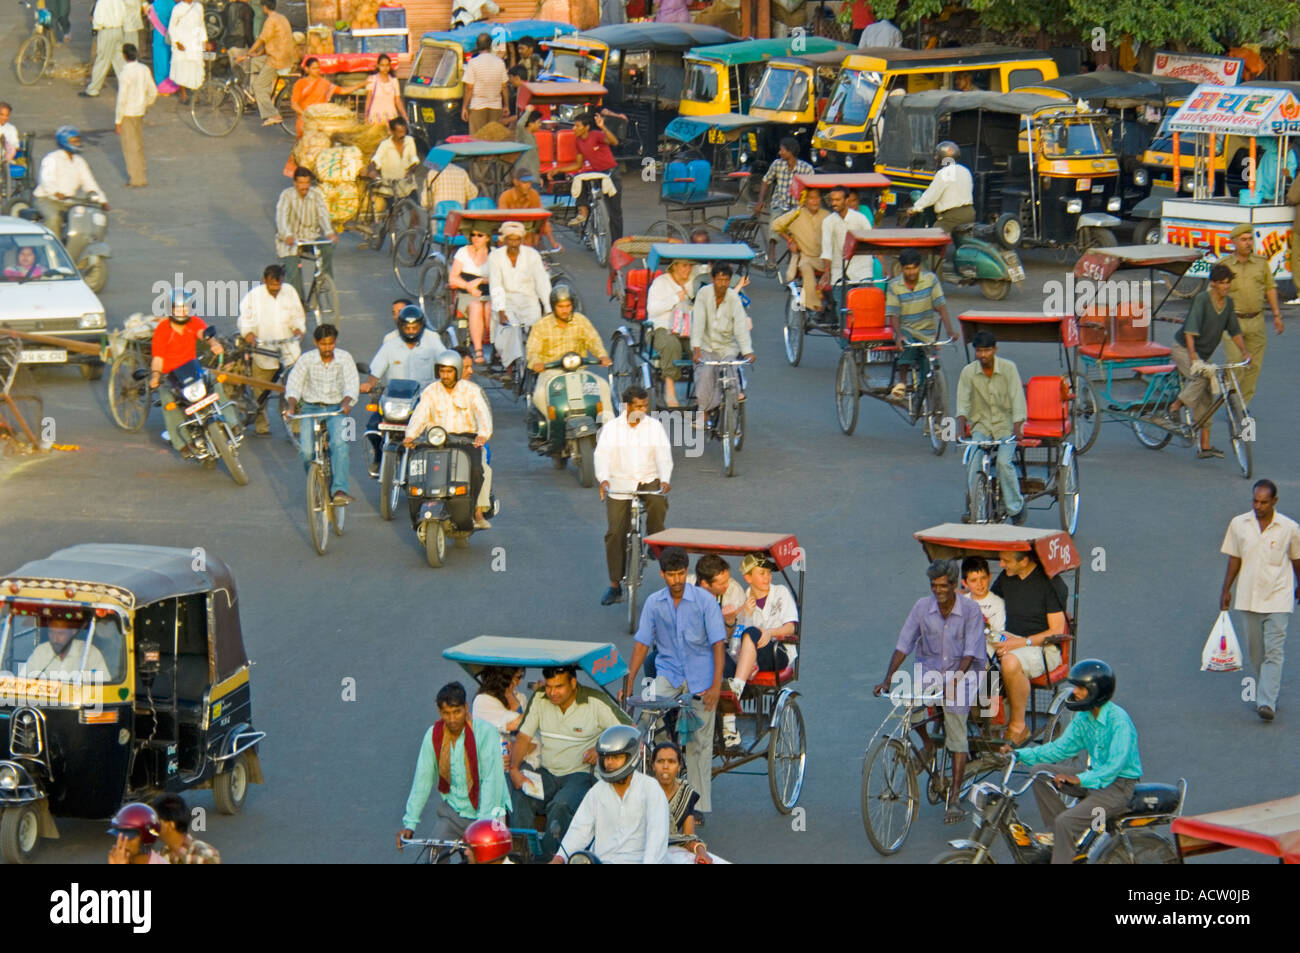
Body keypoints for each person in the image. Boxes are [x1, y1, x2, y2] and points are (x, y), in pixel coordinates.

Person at [873, 559, 985, 824]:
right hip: (930, 670)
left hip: (965, 672)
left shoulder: (971, 610)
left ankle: (955, 798)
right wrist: (888, 678)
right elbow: (904, 644)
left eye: (943, 586)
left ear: (955, 585)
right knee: (910, 710)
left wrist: (956, 680)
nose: (938, 591)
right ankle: (927, 744)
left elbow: (971, 651)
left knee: (956, 726)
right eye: (934, 586)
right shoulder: (922, 607)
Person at [1004, 659, 1142, 864]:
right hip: (1094, 777)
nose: (1074, 692)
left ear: (1096, 691)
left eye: (1080, 688)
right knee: (1039, 773)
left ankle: (1065, 836)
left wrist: (1080, 780)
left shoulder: (1118, 722)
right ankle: (1065, 836)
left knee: (1065, 823)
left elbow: (1113, 768)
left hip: (1117, 786)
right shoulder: (1084, 717)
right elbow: (1059, 749)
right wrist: (1020, 755)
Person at [623, 547, 726, 816]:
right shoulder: (654, 604)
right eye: (671, 575)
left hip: (701, 678)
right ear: (662, 575)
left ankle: (697, 806)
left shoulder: (704, 601)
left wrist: (715, 686)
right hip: (668, 674)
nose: (677, 580)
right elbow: (642, 643)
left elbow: (718, 644)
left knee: (698, 744)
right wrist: (630, 680)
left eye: (681, 574)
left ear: (687, 573)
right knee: (643, 716)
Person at [511, 666, 632, 859]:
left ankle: (549, 858)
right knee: (520, 794)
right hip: (548, 772)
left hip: (580, 774)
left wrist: (600, 750)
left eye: (558, 687)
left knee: (561, 805)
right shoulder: (540, 698)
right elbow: (524, 736)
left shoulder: (595, 701)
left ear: (573, 684)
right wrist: (514, 769)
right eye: (549, 686)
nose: (552, 692)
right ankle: (521, 855)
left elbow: (628, 731)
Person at [1220, 479, 1300, 721]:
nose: (1258, 506)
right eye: (1255, 500)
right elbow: (1234, 559)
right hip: (1249, 598)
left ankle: (1266, 701)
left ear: (1274, 502)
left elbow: (1297, 559)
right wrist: (1226, 590)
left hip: (1279, 597)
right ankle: (1268, 687)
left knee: (1274, 652)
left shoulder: (1289, 528)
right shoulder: (1239, 524)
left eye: (1264, 502)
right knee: (1257, 653)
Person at [397, 681, 511, 848]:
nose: (452, 719)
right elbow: (423, 779)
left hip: (489, 814)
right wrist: (410, 823)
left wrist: (481, 828)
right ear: (439, 712)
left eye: (457, 712)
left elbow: (490, 782)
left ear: (466, 708)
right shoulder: (433, 736)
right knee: (433, 855)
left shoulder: (486, 733)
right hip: (454, 812)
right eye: (446, 713)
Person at [1162, 263, 1250, 459]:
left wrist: (1244, 352)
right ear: (1213, 284)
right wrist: (1193, 358)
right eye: (1222, 283)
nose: (1226, 287)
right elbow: (1190, 331)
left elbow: (1234, 330)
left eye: (1228, 283)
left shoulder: (1228, 304)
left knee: (1209, 392)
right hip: (1184, 349)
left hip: (1202, 354)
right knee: (1201, 378)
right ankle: (1176, 406)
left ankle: (1205, 446)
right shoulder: (1202, 300)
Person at [594, 385, 672, 605]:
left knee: (658, 503)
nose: (642, 410)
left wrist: (665, 479)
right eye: (638, 406)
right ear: (627, 406)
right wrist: (604, 479)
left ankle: (654, 543)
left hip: (648, 479)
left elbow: (663, 455)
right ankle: (614, 585)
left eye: (645, 406)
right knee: (615, 532)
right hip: (619, 483)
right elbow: (602, 455)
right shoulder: (612, 429)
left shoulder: (654, 427)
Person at [403, 350, 495, 528]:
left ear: (458, 371)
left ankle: (476, 512)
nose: (445, 376)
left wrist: (483, 434)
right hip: (436, 440)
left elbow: (483, 415)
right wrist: (411, 435)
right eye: (442, 371)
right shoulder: (430, 391)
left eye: (449, 371)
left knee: (478, 469)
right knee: (416, 470)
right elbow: (420, 415)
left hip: (466, 441)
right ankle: (418, 512)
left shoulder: (472, 391)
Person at [550, 725, 668, 864]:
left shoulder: (650, 789)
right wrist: (559, 858)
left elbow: (657, 838)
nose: (609, 763)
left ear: (632, 755)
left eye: (616, 757)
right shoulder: (598, 791)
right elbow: (580, 830)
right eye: (606, 757)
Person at [149, 288, 240, 457]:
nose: (183, 311)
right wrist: (155, 375)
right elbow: (158, 358)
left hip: (192, 368)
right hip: (171, 375)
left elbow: (203, 334)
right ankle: (182, 443)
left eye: (186, 307)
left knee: (214, 382)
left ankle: (232, 423)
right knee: (169, 402)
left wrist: (214, 344)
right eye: (178, 308)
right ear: (171, 309)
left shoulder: (194, 322)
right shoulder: (162, 329)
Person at [992, 548, 1068, 745]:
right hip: (1008, 638)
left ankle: (1018, 726)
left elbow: (1056, 630)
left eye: (1006, 560)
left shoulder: (1050, 584)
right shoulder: (1007, 576)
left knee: (1009, 662)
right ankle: (988, 723)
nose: (1001, 565)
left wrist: (1019, 643)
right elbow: (990, 604)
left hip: (1042, 647)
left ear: (1024, 561)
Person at [361, 305, 443, 475]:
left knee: (440, 432)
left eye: (415, 327)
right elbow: (376, 371)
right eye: (407, 327)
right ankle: (379, 457)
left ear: (421, 326)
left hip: (424, 401)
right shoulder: (390, 344)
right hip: (395, 402)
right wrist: (369, 384)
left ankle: (438, 469)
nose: (411, 331)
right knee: (373, 427)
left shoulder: (433, 340)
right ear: (400, 327)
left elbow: (445, 362)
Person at [956, 329, 1027, 525]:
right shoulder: (968, 372)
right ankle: (973, 507)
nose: (983, 355)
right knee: (973, 462)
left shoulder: (1008, 369)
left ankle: (1016, 507)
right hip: (982, 426)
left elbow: (1017, 399)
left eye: (987, 350)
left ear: (994, 350)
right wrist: (961, 427)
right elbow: (962, 401)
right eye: (979, 351)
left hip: (1006, 427)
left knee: (1004, 463)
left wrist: (1018, 427)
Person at [285, 323, 359, 505]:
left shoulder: (345, 358)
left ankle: (340, 489)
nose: (327, 348)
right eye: (323, 344)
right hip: (311, 409)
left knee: (340, 444)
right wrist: (292, 406)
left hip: (336, 408)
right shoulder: (306, 359)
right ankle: (315, 483)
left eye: (331, 344)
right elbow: (294, 384)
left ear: (336, 342)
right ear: (316, 343)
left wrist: (346, 402)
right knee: (306, 451)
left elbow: (352, 384)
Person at [525, 286, 613, 437]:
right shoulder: (541, 325)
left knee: (603, 386)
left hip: (578, 371)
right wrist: (536, 363)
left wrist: (602, 355)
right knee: (539, 395)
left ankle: (609, 432)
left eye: (568, 306)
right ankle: (554, 430)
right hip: (550, 372)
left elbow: (594, 341)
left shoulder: (581, 321)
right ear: (553, 307)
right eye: (560, 307)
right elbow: (532, 351)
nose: (565, 310)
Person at [237, 263, 305, 436]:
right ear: (264, 280)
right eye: (271, 285)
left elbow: (297, 315)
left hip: (288, 346)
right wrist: (249, 333)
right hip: (263, 348)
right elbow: (245, 319)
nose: (275, 288)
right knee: (261, 389)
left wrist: (298, 328)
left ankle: (296, 424)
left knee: (295, 387)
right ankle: (262, 424)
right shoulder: (253, 296)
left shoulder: (289, 292)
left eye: (278, 285)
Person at [1219, 222, 1284, 405]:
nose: (1248, 243)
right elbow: (1214, 294)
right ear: (1234, 242)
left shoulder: (1261, 264)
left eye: (1250, 239)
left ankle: (1241, 405)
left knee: (1253, 366)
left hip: (1256, 320)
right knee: (1236, 363)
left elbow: (1270, 288)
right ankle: (1231, 396)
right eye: (1243, 240)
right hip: (1232, 322)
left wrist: (1277, 315)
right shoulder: (1224, 265)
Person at [885, 246, 955, 402]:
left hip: (927, 330)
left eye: (914, 268)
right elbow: (893, 314)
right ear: (902, 268)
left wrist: (950, 331)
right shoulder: (894, 286)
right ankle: (902, 383)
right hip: (906, 328)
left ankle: (928, 398)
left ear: (920, 267)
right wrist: (899, 335)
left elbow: (941, 306)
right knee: (907, 344)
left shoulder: (930, 280)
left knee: (930, 364)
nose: (911, 272)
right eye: (907, 269)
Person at [691, 261, 755, 421]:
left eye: (726, 280)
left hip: (727, 346)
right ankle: (703, 412)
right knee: (705, 374)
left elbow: (740, 325)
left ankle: (732, 403)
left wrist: (748, 350)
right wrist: (696, 349)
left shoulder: (734, 298)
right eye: (719, 280)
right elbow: (698, 322)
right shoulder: (703, 294)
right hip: (706, 346)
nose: (723, 284)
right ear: (713, 279)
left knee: (732, 370)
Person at [547, 111, 624, 240]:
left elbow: (614, 142)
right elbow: (578, 165)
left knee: (614, 212)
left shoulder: (596, 135)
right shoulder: (578, 141)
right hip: (597, 173)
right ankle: (583, 212)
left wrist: (603, 127)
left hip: (611, 173)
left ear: (586, 127)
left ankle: (617, 243)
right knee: (579, 178)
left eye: (577, 126)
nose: (574, 129)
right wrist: (558, 170)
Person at [488, 220, 552, 374]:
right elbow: (496, 285)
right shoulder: (495, 257)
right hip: (507, 302)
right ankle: (510, 367)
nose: (514, 243)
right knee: (511, 331)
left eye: (517, 240)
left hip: (529, 301)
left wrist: (548, 308)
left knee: (537, 332)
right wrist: (501, 311)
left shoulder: (532, 255)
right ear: (504, 240)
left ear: (522, 240)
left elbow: (541, 282)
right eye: (510, 239)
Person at [276, 167, 337, 301]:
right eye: (301, 183)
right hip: (291, 243)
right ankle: (299, 304)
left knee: (327, 248)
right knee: (294, 274)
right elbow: (281, 217)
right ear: (295, 183)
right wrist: (287, 235)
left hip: (311, 238)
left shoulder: (315, 195)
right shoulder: (287, 195)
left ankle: (323, 281)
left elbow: (323, 215)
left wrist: (329, 232)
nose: (305, 186)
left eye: (307, 183)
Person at [35, 127, 108, 240]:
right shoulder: (52, 158)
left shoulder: (79, 162)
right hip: (48, 200)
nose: (78, 143)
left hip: (70, 202)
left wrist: (102, 200)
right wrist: (55, 192)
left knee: (83, 220)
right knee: (54, 219)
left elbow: (89, 182)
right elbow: (46, 179)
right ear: (64, 142)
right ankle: (53, 250)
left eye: (78, 140)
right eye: (74, 141)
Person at [234, 0, 297, 127]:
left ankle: (272, 114)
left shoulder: (270, 20)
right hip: (285, 56)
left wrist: (245, 55)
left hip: (276, 59)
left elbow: (261, 39)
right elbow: (272, 40)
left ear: (264, 7)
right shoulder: (282, 17)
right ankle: (257, 93)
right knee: (255, 61)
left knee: (259, 86)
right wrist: (257, 54)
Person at [645, 258, 696, 407]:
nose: (688, 269)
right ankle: (670, 388)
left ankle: (701, 391)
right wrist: (675, 299)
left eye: (690, 266)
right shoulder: (660, 282)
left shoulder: (693, 281)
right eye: (685, 266)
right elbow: (652, 309)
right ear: (674, 267)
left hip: (687, 327)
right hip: (662, 327)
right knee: (671, 345)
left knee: (699, 347)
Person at [650, 741, 712, 863]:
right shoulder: (642, 791)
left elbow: (687, 837)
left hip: (670, 850)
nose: (666, 766)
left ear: (679, 766)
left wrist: (701, 852)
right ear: (653, 765)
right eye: (660, 761)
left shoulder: (686, 794)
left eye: (671, 762)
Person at [753, 136, 814, 258]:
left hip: (798, 206)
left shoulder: (806, 168)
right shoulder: (777, 164)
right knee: (775, 220)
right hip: (780, 202)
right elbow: (766, 181)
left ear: (790, 151)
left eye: (782, 150)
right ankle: (771, 252)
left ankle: (795, 252)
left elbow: (812, 189)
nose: (779, 152)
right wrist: (760, 201)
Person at [771, 187, 830, 312]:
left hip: (825, 257)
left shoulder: (826, 215)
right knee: (805, 267)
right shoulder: (796, 214)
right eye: (812, 198)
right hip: (807, 257)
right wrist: (790, 240)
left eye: (817, 198)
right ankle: (813, 304)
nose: (815, 201)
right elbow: (775, 225)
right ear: (805, 200)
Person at [819, 185, 874, 313]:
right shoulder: (828, 222)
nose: (834, 203)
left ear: (847, 200)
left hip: (862, 270)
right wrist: (826, 272)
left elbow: (871, 241)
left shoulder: (860, 219)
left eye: (838, 200)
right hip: (840, 272)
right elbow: (826, 249)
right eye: (832, 200)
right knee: (843, 315)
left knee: (864, 311)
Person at [907, 140, 975, 239]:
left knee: (931, 240)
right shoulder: (965, 171)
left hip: (952, 217)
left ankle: (934, 255)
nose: (935, 158)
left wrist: (915, 208)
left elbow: (931, 196)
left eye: (937, 156)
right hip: (970, 213)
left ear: (943, 157)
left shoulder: (944, 173)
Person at [472, 666, 536, 768]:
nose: (519, 683)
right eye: (517, 678)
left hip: (520, 762)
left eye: (521, 677)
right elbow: (520, 723)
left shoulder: (520, 697)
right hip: (493, 765)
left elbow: (532, 743)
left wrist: (511, 697)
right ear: (503, 679)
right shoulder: (483, 701)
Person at [291, 58, 367, 139]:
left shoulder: (324, 83)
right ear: (306, 69)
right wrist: (306, 114)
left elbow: (342, 91)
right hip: (305, 120)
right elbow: (294, 104)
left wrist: (360, 85)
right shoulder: (300, 84)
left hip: (320, 120)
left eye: (318, 68)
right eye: (314, 68)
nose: (317, 70)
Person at [114, 44, 157, 189]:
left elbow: (122, 99)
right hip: (139, 111)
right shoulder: (144, 69)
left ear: (124, 56)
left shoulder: (125, 74)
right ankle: (141, 175)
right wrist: (146, 103)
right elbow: (153, 91)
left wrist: (118, 121)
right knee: (138, 145)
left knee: (130, 147)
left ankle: (136, 179)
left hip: (127, 113)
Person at [450, 225, 492, 363]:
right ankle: (478, 350)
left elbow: (501, 278)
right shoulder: (463, 252)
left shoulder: (495, 254)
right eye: (473, 235)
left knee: (490, 307)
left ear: (487, 238)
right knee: (476, 306)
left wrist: (481, 280)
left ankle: (495, 346)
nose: (475, 238)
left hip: (488, 293)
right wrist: (468, 286)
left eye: (480, 235)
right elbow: (453, 278)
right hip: (467, 295)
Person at [22, 613, 110, 676]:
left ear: (73, 632)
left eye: (60, 634)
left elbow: (105, 688)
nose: (55, 639)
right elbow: (23, 682)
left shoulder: (90, 653)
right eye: (51, 633)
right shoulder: (40, 652)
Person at [151, 793, 221, 863]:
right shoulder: (162, 854)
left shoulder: (205, 855)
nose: (151, 825)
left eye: (155, 821)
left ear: (170, 825)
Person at [462, 33, 510, 133]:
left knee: (477, 140)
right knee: (494, 139)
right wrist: (506, 106)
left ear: (477, 46)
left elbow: (469, 88)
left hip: (477, 106)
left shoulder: (473, 63)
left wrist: (464, 107)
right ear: (491, 45)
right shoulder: (500, 62)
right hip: (496, 107)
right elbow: (504, 87)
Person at [498, 167, 555, 248]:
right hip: (510, 229)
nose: (528, 185)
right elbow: (503, 218)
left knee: (544, 223)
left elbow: (542, 216)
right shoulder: (505, 196)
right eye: (525, 182)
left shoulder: (534, 194)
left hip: (529, 229)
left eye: (529, 182)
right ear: (516, 182)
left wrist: (553, 242)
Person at [83, 0, 126, 98]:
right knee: (119, 61)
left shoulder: (102, 2)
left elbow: (98, 18)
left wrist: (95, 28)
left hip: (106, 31)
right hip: (118, 29)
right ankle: (126, 86)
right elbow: (124, 13)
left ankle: (93, 89)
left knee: (102, 60)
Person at [368, 117, 420, 198]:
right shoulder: (385, 145)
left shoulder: (410, 141)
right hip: (390, 188)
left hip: (407, 186)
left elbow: (414, 159)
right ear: (392, 132)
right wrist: (372, 170)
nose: (402, 136)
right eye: (399, 133)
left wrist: (410, 171)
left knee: (415, 208)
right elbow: (376, 160)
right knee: (393, 209)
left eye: (404, 132)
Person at [167, 0, 206, 103]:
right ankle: (183, 95)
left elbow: (201, 25)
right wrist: (177, 42)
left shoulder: (198, 6)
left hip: (195, 43)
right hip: (182, 43)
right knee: (182, 69)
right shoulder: (177, 8)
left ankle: (196, 94)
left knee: (196, 68)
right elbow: (172, 27)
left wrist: (204, 41)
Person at [364, 53, 404, 127]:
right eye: (382, 65)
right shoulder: (372, 79)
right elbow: (368, 99)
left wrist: (405, 116)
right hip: (375, 118)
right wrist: (366, 116)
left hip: (391, 118)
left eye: (387, 65)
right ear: (378, 66)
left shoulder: (394, 81)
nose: (385, 68)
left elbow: (398, 100)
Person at [147, 0, 175, 87]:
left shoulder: (157, 4)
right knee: (169, 55)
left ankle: (163, 84)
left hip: (160, 33)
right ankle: (172, 82)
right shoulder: (173, 5)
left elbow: (151, 16)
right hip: (170, 32)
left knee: (160, 55)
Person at [512, 108, 544, 182]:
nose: (540, 125)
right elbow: (520, 124)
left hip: (534, 178)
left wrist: (538, 177)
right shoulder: (522, 136)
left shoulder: (532, 137)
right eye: (538, 122)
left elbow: (534, 162)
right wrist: (528, 111)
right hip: (524, 179)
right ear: (530, 123)